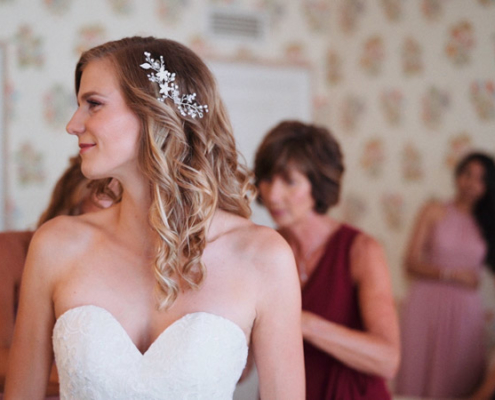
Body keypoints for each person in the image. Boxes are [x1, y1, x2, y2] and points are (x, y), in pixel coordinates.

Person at [5, 36, 304, 399]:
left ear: (155, 112)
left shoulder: (264, 256)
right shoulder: (56, 246)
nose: (73, 124)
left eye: (93, 104)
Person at [254, 120, 400, 399]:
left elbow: (388, 360)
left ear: (317, 184)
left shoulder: (361, 250)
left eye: (289, 181)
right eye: (268, 179)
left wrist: (301, 322)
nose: (273, 194)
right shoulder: (261, 250)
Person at [0, 154, 113, 398]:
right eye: (106, 201)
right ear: (73, 202)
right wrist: (91, 379)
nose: (117, 216)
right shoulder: (7, 251)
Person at [395, 152, 495, 398]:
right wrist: (451, 274)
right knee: (418, 372)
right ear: (458, 175)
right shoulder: (434, 211)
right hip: (427, 305)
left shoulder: (487, 223)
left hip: (465, 312)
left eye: (481, 179)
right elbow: (410, 262)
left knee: (459, 378)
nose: (471, 183)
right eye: (467, 174)